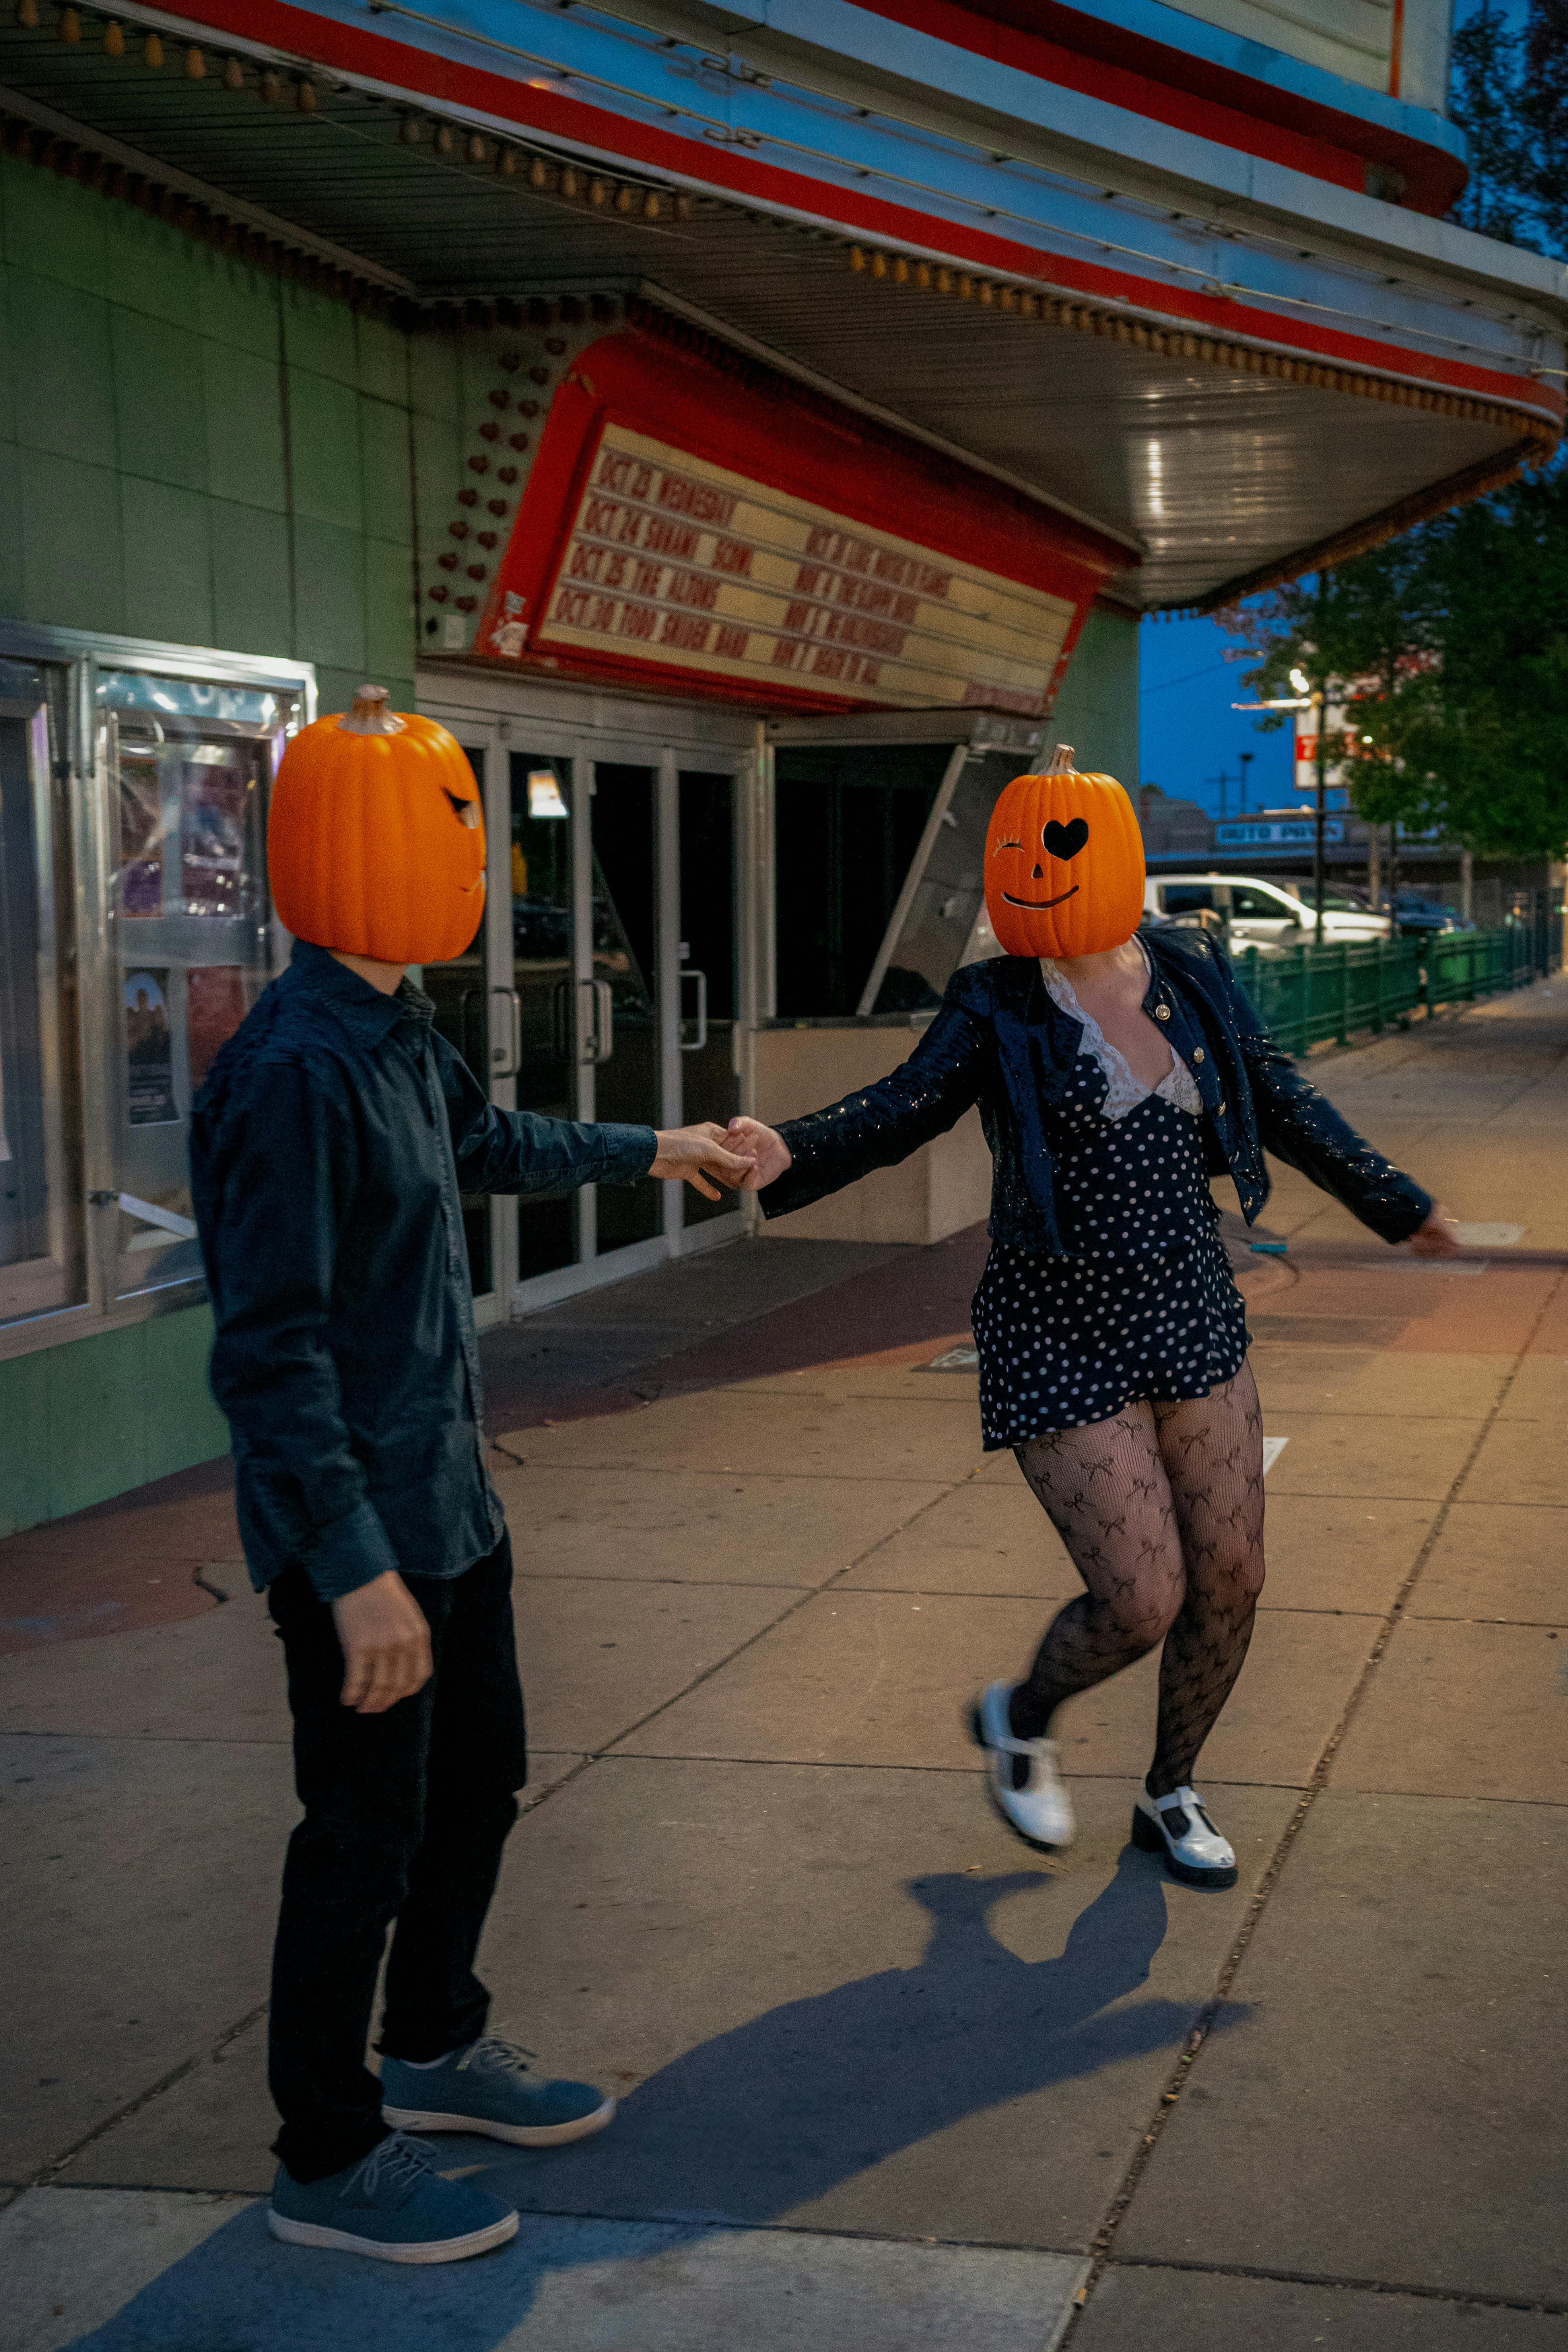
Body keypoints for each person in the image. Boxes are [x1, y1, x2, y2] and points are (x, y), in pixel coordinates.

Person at [190, 691, 755, 2266]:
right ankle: (326, 2149)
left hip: (451, 1502)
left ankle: (433, 2045)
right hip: (359, 1535)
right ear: (340, 845)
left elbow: (487, 1141)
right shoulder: (294, 1072)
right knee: (357, 1837)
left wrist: (665, 1148)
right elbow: (272, 1349)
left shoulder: (395, 1035)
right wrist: (351, 1567)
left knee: (478, 1785)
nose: (475, 859)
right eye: (445, 826)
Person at [727, 753, 1456, 1895]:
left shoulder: (1190, 964)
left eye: (1057, 850)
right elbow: (905, 1106)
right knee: (1141, 1596)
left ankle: (1171, 1789)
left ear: (1114, 857)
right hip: (1054, 1314)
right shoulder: (997, 998)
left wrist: (1393, 1200)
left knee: (1233, 1575)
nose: (1033, 873)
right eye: (1011, 857)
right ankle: (1021, 1716)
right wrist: (792, 1146)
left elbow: (1275, 1092)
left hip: (1189, 1297)